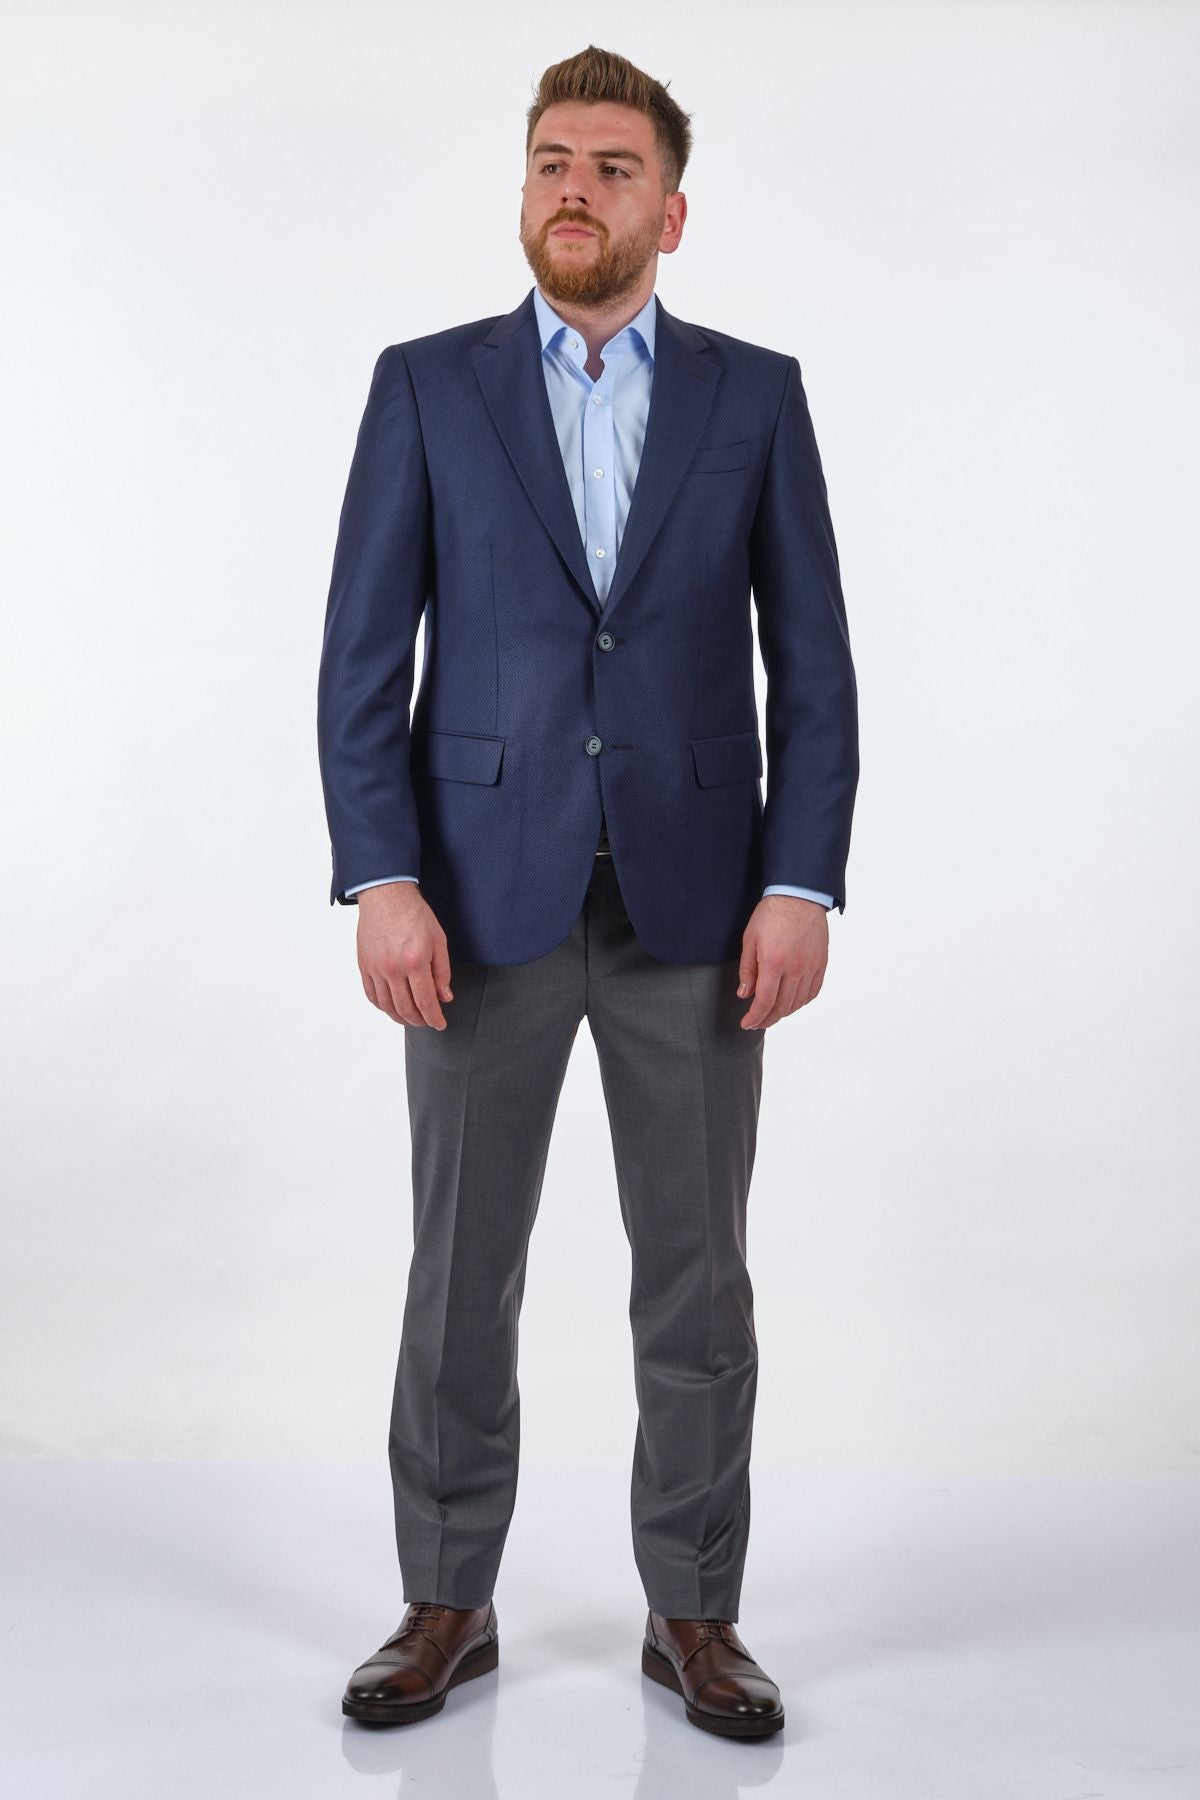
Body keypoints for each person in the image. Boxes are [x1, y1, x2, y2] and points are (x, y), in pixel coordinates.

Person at [317, 44, 859, 1741]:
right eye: (554, 159)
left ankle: (694, 1613)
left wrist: (800, 880)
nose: (576, 187)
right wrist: (383, 878)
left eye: (615, 167)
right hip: (476, 905)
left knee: (698, 1280)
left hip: (700, 911)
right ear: (525, 188)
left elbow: (816, 670)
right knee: (457, 1275)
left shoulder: (754, 398)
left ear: (669, 213)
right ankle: (446, 1600)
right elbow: (360, 658)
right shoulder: (428, 386)